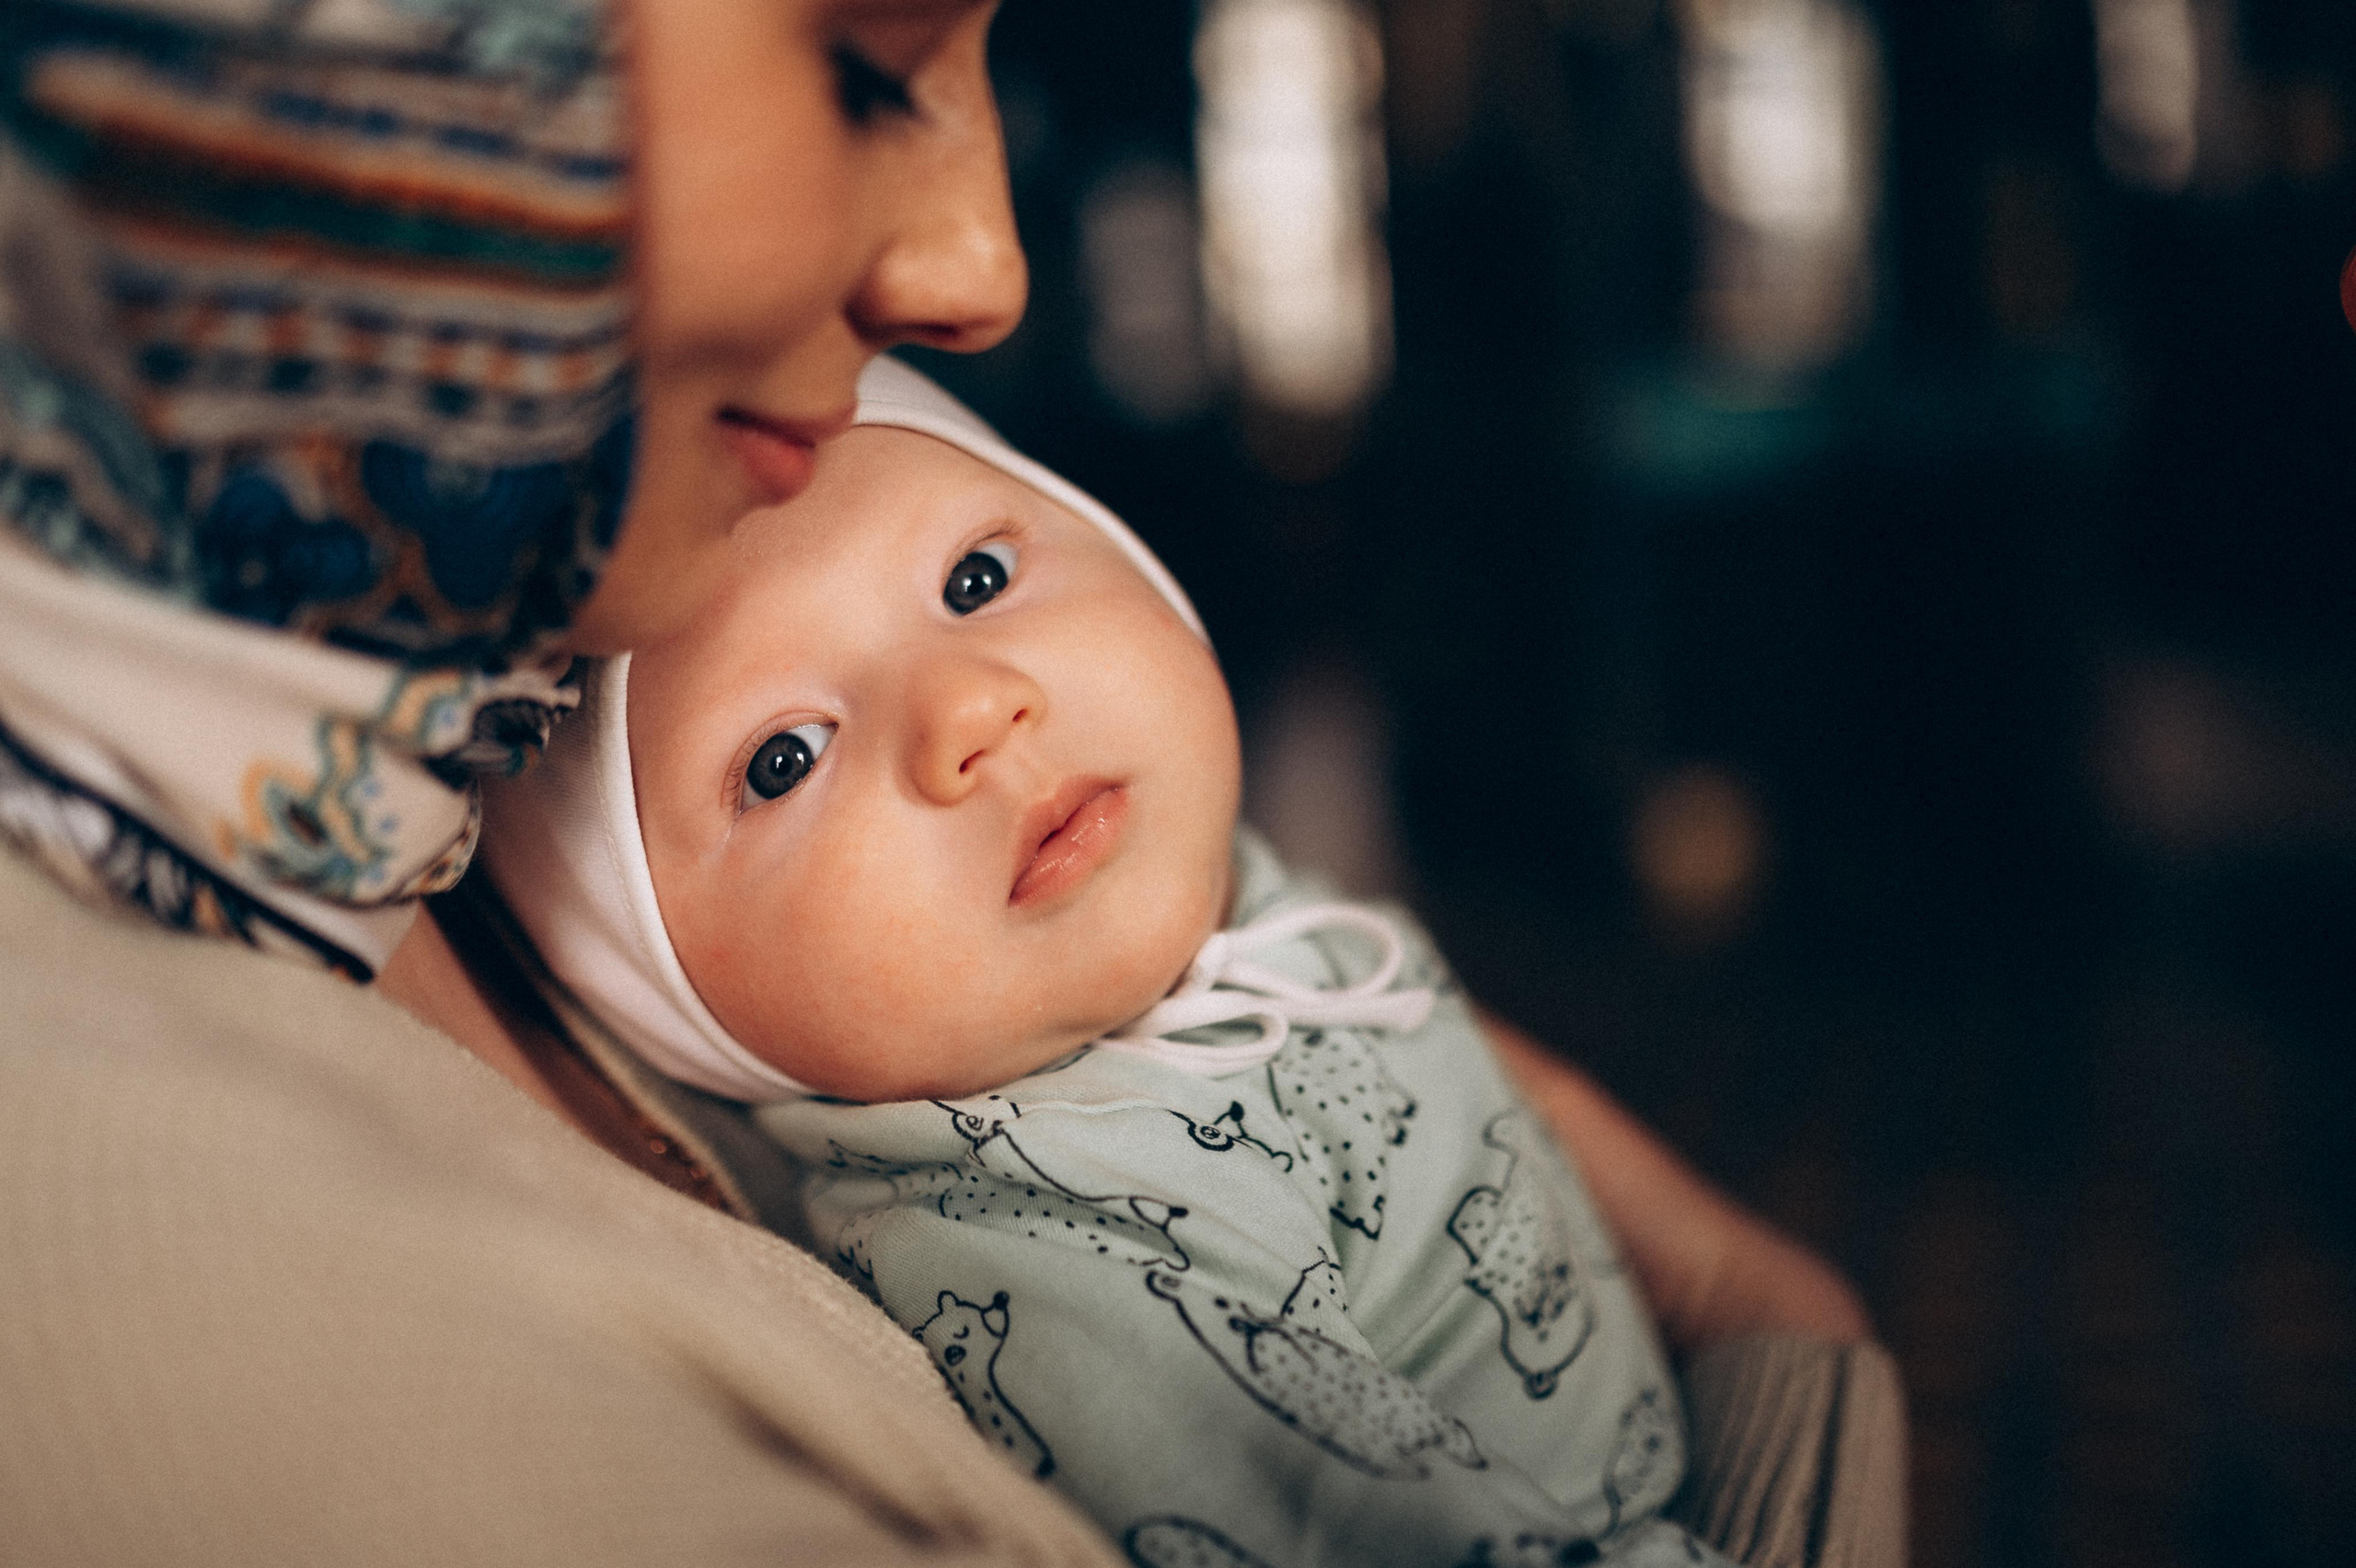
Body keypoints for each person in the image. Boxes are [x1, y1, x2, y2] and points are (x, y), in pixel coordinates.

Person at [0, 0, 1861, 1561]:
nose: (982, 268)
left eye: (983, 576)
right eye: (860, 65)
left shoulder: (399, 742)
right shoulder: (144, 1280)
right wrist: (1794, 1371)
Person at [483, 355, 1756, 1565]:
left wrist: (1725, 1280)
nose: (973, 709)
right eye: (784, 758)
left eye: (976, 579)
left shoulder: (1202, 904)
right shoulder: (1045, 1247)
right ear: (682, 1009)